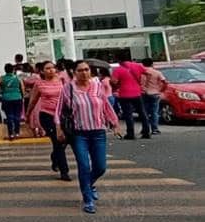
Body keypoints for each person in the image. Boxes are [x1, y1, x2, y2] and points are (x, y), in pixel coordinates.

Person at [55, 60, 122, 213]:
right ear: (74, 72)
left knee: (100, 167)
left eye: (86, 69)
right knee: (84, 166)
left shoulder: (97, 85)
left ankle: (89, 184)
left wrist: (114, 123)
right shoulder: (68, 89)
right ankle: (88, 200)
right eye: (80, 70)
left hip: (98, 132)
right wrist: (59, 129)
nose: (84, 73)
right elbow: (58, 111)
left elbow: (105, 105)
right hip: (79, 134)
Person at [26, 61, 70, 181]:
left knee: (64, 141)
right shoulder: (39, 84)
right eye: (47, 68)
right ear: (42, 71)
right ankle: (64, 171)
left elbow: (69, 97)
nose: (51, 70)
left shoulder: (62, 81)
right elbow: (33, 100)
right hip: (47, 115)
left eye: (52, 68)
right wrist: (28, 114)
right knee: (57, 141)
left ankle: (55, 157)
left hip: (62, 116)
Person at [111, 52, 149, 140]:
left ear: (118, 59)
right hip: (137, 93)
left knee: (128, 114)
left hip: (124, 94)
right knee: (142, 113)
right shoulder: (138, 66)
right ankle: (146, 132)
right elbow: (148, 73)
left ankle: (130, 133)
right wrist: (144, 84)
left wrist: (117, 85)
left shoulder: (118, 70)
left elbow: (113, 81)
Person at [140, 58, 166, 135]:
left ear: (143, 64)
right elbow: (164, 82)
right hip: (155, 93)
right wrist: (161, 90)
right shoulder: (157, 72)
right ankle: (154, 129)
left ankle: (145, 128)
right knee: (154, 112)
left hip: (143, 93)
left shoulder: (140, 73)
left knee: (144, 111)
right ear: (152, 64)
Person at [0, 63, 25, 140]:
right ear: (13, 70)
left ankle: (10, 134)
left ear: (5, 70)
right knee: (17, 115)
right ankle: (17, 132)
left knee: (9, 116)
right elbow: (22, 88)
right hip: (17, 97)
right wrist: (22, 96)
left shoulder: (2, 78)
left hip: (6, 98)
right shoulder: (18, 78)